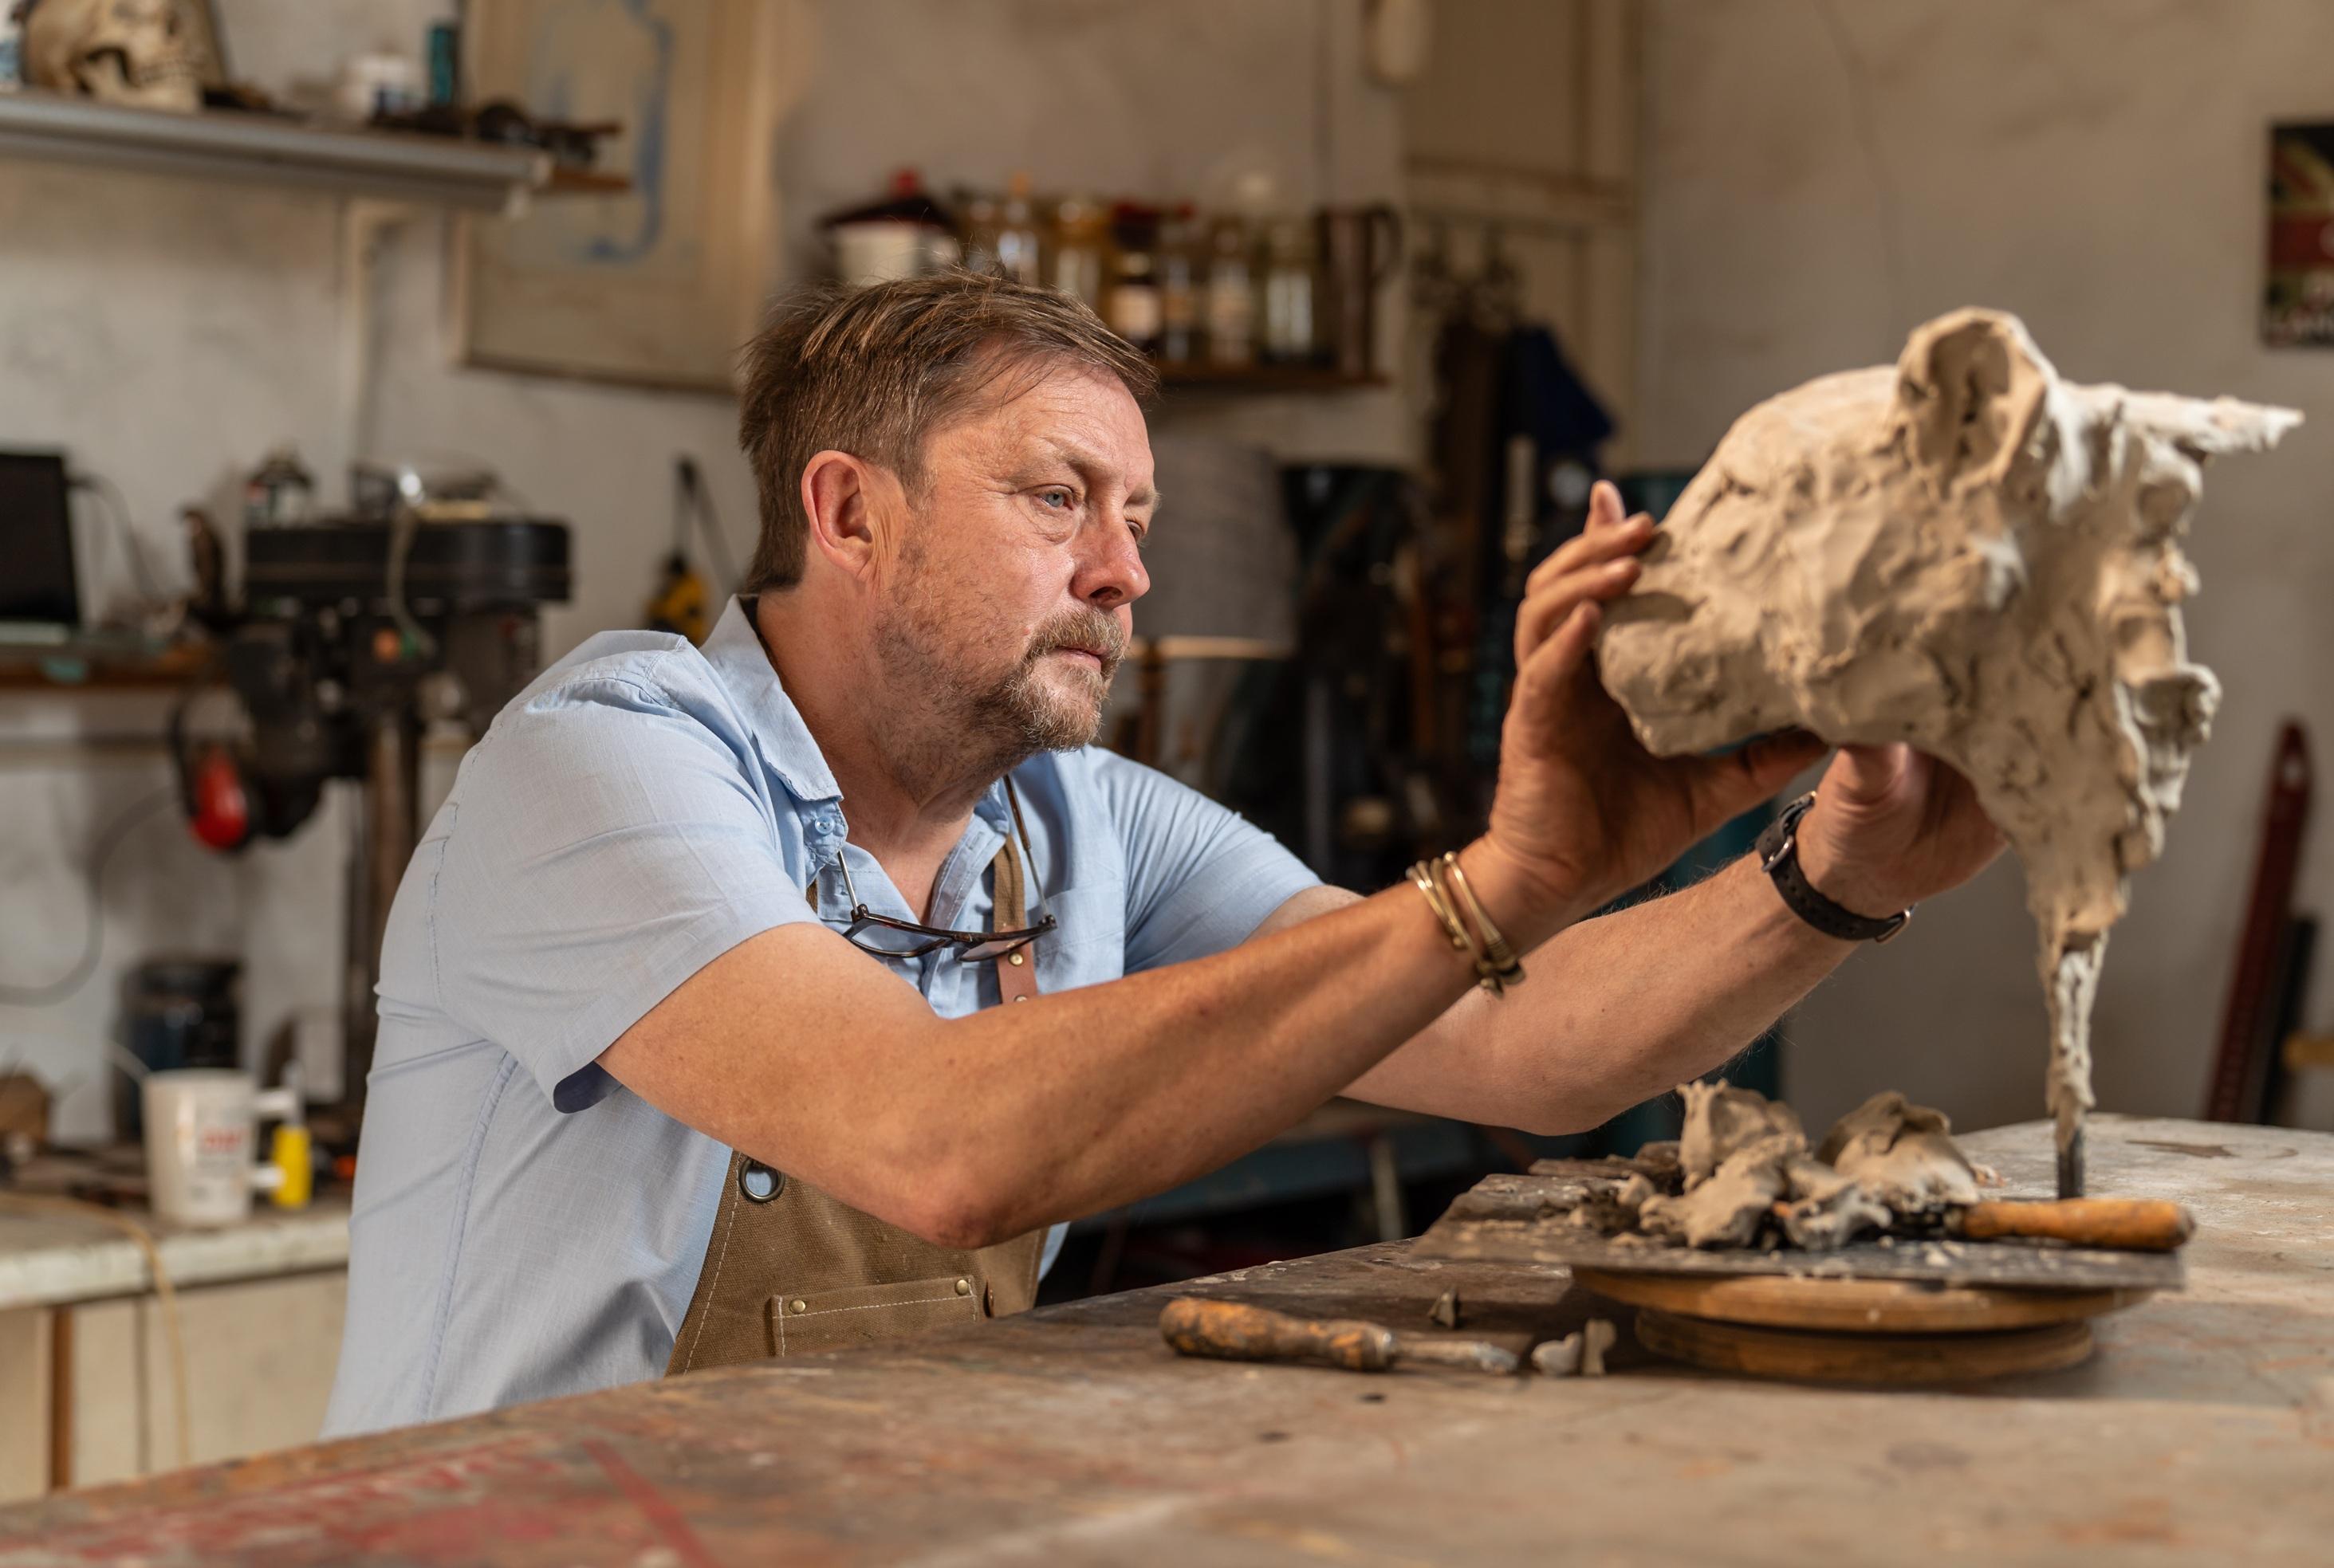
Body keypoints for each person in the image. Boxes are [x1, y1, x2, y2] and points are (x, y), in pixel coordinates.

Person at [323, 272, 2001, 1434]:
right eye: (1059, 499)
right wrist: (1504, 879)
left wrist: (1836, 871)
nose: (1126, 574)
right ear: (848, 514)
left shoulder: (1081, 821)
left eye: (1137, 518)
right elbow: (932, 1140)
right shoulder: (603, 759)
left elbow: (1523, 1045)